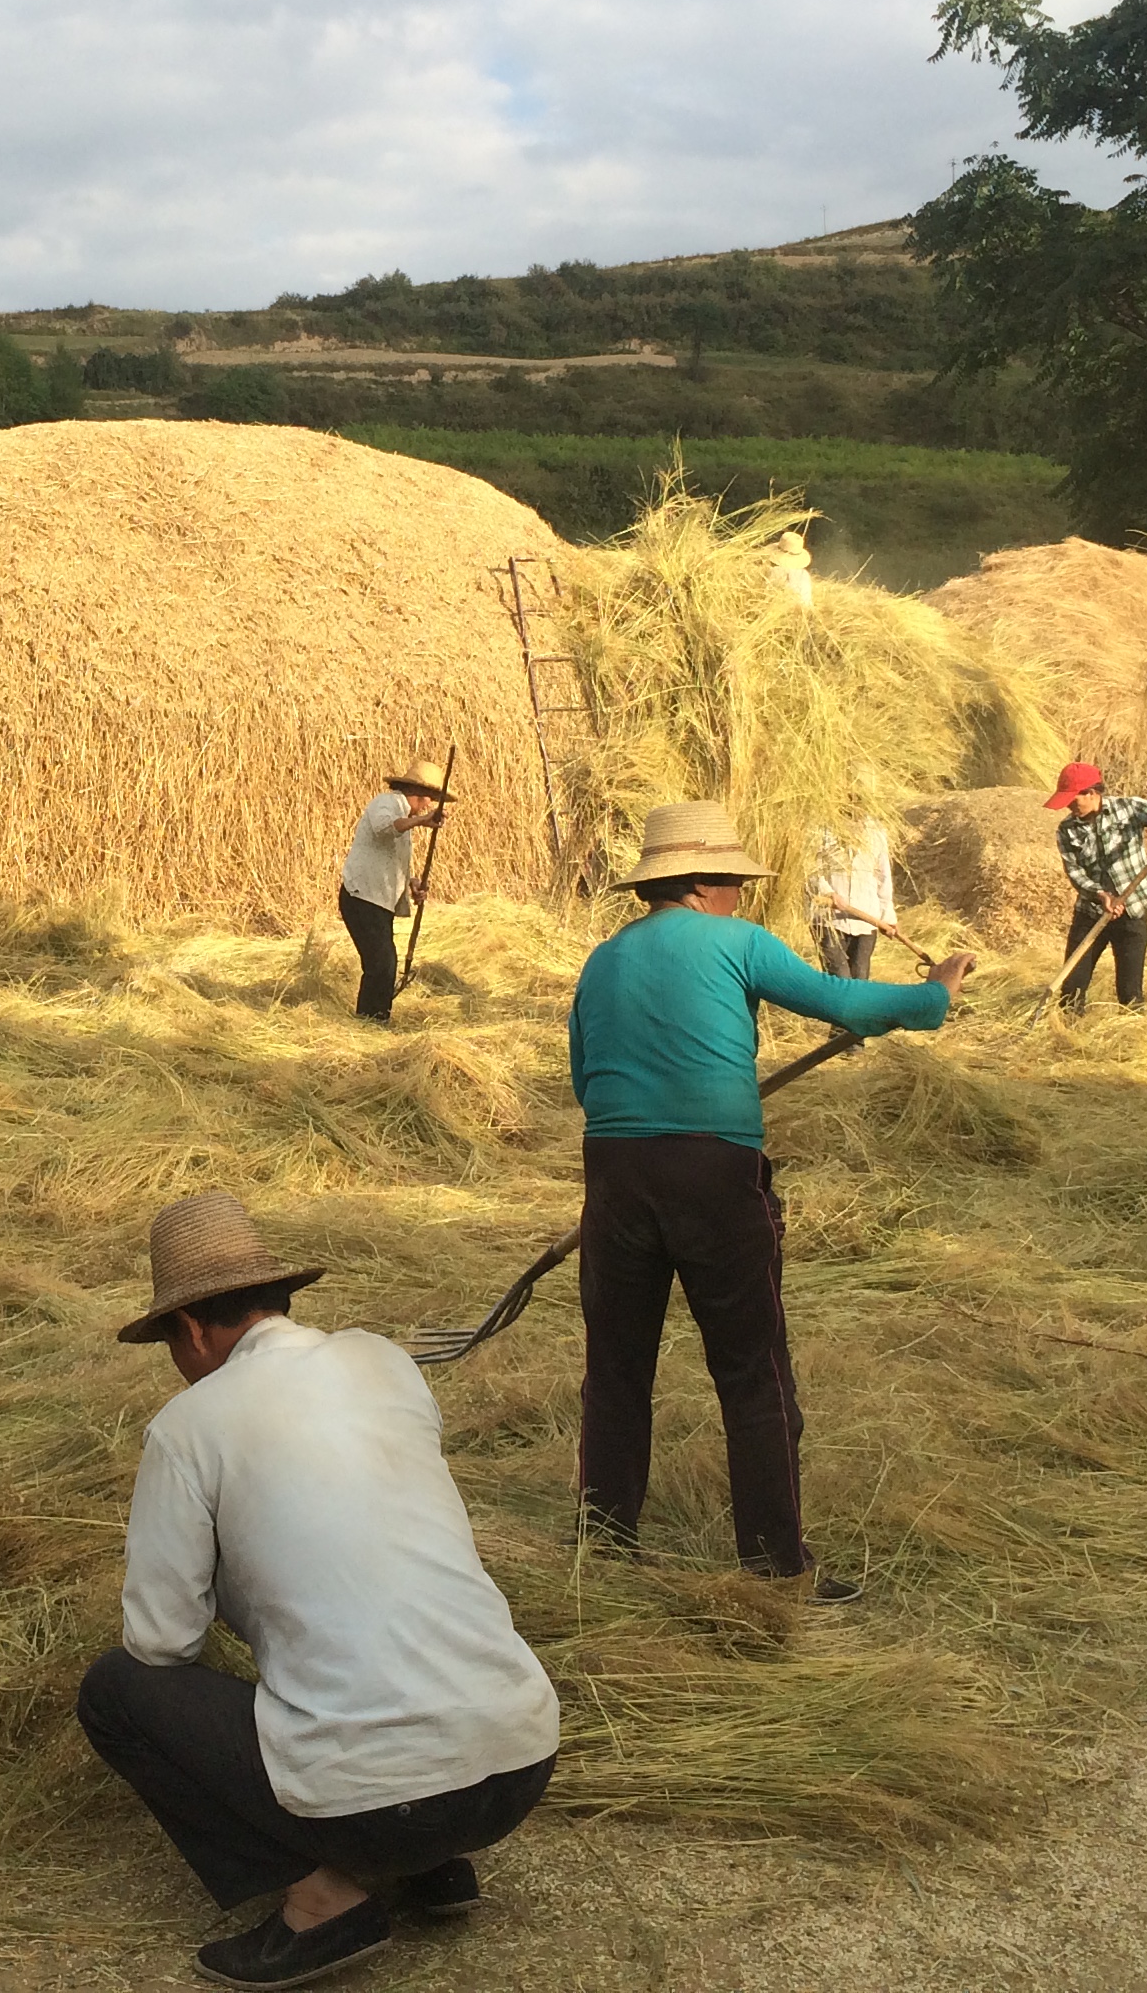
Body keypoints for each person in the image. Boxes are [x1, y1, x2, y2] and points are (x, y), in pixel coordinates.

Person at [77, 1192, 561, 1989]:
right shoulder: (384, 1361)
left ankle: (321, 1903)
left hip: (384, 1806)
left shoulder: (189, 1426)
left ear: (191, 1329)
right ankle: (431, 1866)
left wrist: (230, 1579)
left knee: (116, 1693)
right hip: (520, 1765)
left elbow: (161, 1641)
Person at [566, 801, 972, 1581]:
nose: (740, 895)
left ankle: (605, 1546)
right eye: (734, 882)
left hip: (614, 1173)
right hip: (716, 1174)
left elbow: (588, 1079)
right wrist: (932, 997)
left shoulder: (603, 960)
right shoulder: (738, 943)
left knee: (615, 1368)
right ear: (701, 884)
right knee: (752, 1371)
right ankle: (776, 1565)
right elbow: (842, 1002)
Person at [1045, 763, 1147, 1012]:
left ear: (1091, 793)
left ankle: (1131, 1029)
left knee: (1130, 992)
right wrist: (1100, 895)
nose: (1069, 806)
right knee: (1072, 987)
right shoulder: (1067, 830)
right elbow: (1074, 872)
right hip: (1091, 913)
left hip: (1132, 912)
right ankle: (1068, 1027)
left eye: (1073, 799)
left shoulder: (1128, 809)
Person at [335, 759, 447, 1025]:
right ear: (419, 793)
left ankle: (376, 1019)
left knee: (383, 963)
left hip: (378, 900)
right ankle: (370, 1021)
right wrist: (422, 820)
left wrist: (412, 883)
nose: (430, 805)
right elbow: (384, 827)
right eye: (430, 798)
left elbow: (392, 860)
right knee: (381, 964)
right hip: (362, 897)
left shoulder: (404, 817)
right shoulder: (386, 803)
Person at [805, 818, 896, 980]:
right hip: (828, 920)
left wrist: (887, 916)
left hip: (866, 920)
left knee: (860, 977)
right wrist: (828, 893)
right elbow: (809, 868)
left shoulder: (875, 831)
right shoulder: (822, 829)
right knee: (840, 978)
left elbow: (883, 876)